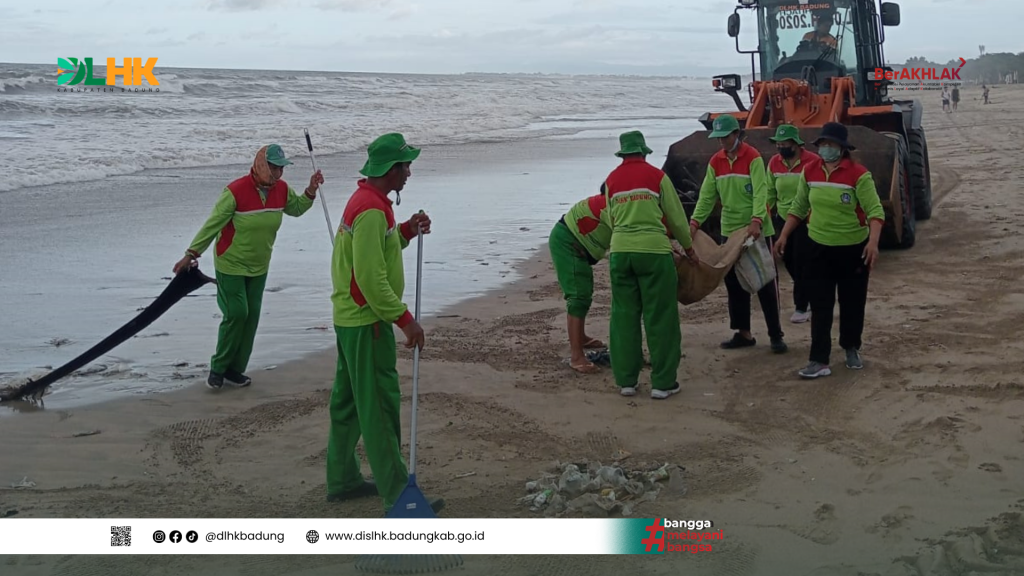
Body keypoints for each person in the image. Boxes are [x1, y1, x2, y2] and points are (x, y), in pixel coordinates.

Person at [325, 132, 443, 514]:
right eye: (405, 166)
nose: (409, 172)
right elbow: (370, 278)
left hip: (349, 319)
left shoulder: (370, 203)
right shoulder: (372, 210)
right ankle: (398, 493)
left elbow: (380, 251)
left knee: (348, 403)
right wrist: (405, 320)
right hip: (367, 322)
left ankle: (342, 478)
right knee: (378, 405)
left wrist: (407, 229)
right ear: (390, 170)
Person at [173, 144, 324, 389]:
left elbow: (296, 209)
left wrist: (311, 190)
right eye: (274, 168)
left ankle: (235, 370)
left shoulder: (282, 190)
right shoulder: (235, 191)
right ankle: (218, 368)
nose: (278, 174)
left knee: (251, 317)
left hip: (259, 265)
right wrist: (191, 254)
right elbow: (212, 225)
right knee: (236, 314)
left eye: (281, 169)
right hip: (230, 263)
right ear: (262, 166)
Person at [774, 122, 885, 379]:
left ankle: (851, 347)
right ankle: (818, 359)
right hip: (818, 247)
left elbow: (875, 212)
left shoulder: (858, 174)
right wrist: (784, 235)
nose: (825, 149)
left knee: (852, 302)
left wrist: (873, 243)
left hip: (853, 250)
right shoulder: (810, 171)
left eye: (830, 145)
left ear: (842, 148)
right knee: (821, 304)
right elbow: (799, 207)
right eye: (822, 144)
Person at [602, 130, 697, 400]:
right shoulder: (657, 176)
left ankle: (627, 382)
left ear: (622, 154)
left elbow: (609, 218)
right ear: (643, 152)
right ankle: (663, 383)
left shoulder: (611, 179)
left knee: (624, 317)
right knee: (660, 317)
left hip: (620, 253)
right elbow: (677, 218)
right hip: (654, 253)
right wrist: (688, 248)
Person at [690, 113, 787, 354]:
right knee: (734, 284)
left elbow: (761, 192)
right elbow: (707, 195)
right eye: (718, 137)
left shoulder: (753, 157)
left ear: (736, 135)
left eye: (725, 136)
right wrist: (694, 222)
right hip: (729, 230)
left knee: (765, 281)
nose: (722, 141)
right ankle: (743, 332)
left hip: (755, 230)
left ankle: (776, 334)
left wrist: (756, 221)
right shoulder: (716, 162)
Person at [549, 188, 612, 374]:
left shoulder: (614, 203)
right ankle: (576, 357)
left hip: (578, 243)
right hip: (567, 241)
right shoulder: (609, 205)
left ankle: (581, 337)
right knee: (578, 296)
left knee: (584, 292)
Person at [767, 124, 819, 324]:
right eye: (777, 144)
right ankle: (813, 295)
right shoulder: (774, 163)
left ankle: (801, 306)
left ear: (796, 144)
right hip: (782, 218)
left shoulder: (813, 161)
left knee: (801, 261)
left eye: (784, 143)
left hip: (807, 219)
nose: (780, 147)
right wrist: (763, 215)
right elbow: (770, 192)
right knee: (788, 259)